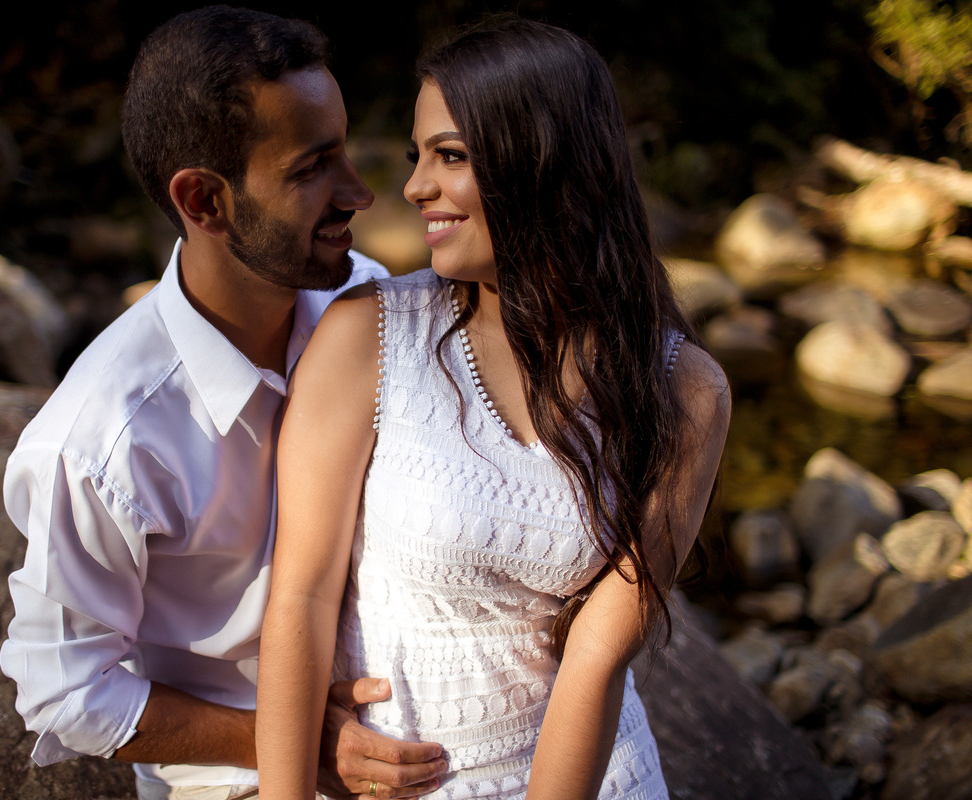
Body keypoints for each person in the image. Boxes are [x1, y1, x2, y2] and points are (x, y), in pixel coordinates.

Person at [256, 16, 732, 800]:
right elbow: (300, 598)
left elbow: (598, 654)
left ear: (542, 162)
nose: (413, 188)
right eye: (419, 158)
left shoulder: (684, 391)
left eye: (451, 156)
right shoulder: (369, 337)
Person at [0, 7, 447, 800]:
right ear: (204, 201)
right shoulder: (102, 441)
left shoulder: (372, 299)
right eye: (313, 169)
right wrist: (293, 740)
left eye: (346, 151)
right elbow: (65, 690)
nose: (360, 193)